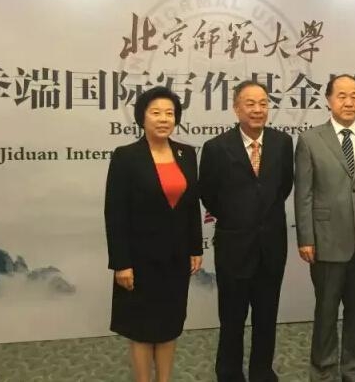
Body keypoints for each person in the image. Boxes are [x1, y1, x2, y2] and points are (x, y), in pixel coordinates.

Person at [294, 74, 355, 382]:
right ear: (328, 100)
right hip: (326, 240)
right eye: (342, 96)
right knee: (326, 312)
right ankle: (323, 370)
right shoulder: (310, 139)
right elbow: (304, 193)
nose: (349, 102)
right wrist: (306, 238)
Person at [104, 86, 203, 382]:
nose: (163, 119)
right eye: (156, 113)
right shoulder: (126, 156)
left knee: (169, 327)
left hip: (176, 258)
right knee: (142, 329)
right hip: (139, 260)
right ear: (142, 117)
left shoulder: (186, 154)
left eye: (170, 113)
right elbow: (115, 213)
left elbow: (191, 206)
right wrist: (121, 263)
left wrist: (195, 248)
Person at [199, 80, 294, 382]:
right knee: (232, 317)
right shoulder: (216, 147)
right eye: (250, 103)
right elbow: (208, 194)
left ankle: (262, 371)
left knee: (267, 316)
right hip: (234, 246)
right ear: (236, 108)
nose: (257, 109)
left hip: (271, 246)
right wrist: (239, 216)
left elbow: (283, 186)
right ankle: (229, 373)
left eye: (263, 103)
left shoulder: (282, 143)